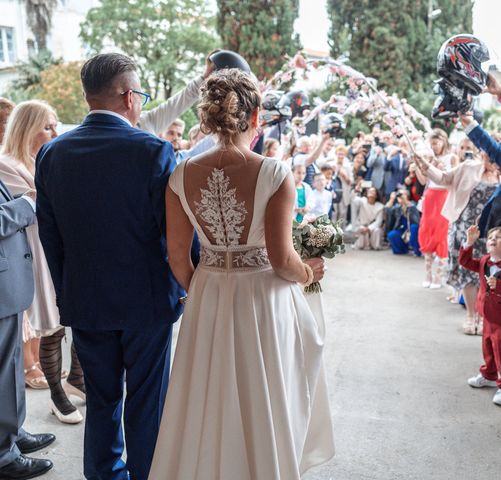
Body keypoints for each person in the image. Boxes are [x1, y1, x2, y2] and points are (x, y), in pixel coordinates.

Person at [149, 68, 333, 479]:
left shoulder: (179, 175)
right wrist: (308, 271)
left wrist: (207, 289)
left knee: (210, 396)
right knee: (263, 394)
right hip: (264, 299)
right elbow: (282, 260)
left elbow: (178, 258)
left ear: (210, 118)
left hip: (209, 294)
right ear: (255, 118)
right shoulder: (273, 173)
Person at [35, 53, 183, 480]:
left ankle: (102, 475)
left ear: (87, 96)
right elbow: (171, 232)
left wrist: (68, 294)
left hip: (86, 299)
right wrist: (182, 286)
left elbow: (51, 237)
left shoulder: (53, 154)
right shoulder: (154, 150)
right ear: (129, 96)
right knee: (146, 401)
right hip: (148, 301)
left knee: (101, 400)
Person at [0, 100, 85, 424]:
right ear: (26, 129)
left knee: (75, 322)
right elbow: (42, 204)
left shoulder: (44, 160)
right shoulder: (8, 163)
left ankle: (76, 382)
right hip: (35, 257)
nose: (55, 133)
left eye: (56, 125)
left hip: (61, 253)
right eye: (47, 127)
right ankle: (57, 395)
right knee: (51, 330)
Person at [0, 180, 55, 480]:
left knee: (11, 367)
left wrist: (21, 197)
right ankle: (3, 456)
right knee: (3, 372)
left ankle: (12, 432)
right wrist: (25, 206)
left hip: (8, 285)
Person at [416, 147, 501, 334]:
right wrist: (426, 166)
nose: (489, 158)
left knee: (487, 273)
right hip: (465, 227)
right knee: (467, 271)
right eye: (487, 154)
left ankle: (482, 315)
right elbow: (444, 178)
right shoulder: (468, 167)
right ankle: (470, 315)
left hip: (491, 232)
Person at [460, 225, 501, 407]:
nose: (492, 239)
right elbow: (466, 262)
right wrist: (469, 242)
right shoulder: (485, 260)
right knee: (488, 348)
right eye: (490, 236)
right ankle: (489, 374)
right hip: (487, 315)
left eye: (499, 237)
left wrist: (500, 285)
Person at [416, 129, 457, 289]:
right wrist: (421, 165)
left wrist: (441, 169)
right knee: (426, 231)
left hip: (444, 196)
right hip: (430, 197)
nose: (433, 146)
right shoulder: (430, 158)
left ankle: (439, 275)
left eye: (436, 143)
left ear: (443, 141)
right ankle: (427, 273)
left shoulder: (452, 157)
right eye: (431, 143)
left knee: (441, 234)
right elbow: (422, 180)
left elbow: (454, 179)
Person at [386, 190, 421, 256]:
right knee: (392, 234)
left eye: (403, 195)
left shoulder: (413, 204)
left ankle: (417, 250)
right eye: (399, 196)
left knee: (414, 227)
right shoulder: (397, 207)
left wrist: (406, 202)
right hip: (402, 228)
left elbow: (416, 218)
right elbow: (386, 210)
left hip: (412, 227)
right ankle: (402, 250)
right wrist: (392, 199)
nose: (401, 197)